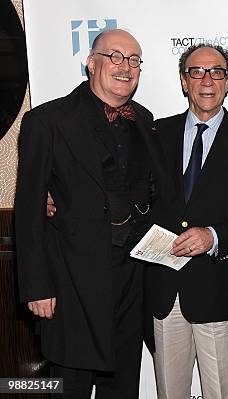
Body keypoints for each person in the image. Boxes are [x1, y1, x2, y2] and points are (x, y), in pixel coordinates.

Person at [15, 29, 165, 398]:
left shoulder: (144, 120)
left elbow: (156, 190)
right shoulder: (47, 121)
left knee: (123, 383)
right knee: (71, 385)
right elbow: (29, 211)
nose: (124, 67)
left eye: (133, 60)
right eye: (114, 56)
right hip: (71, 283)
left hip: (131, 278)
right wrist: (38, 287)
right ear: (90, 62)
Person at [145, 43, 228, 399]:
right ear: (184, 82)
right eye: (196, 71)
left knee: (225, 392)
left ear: (227, 82)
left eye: (216, 71)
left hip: (217, 290)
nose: (207, 80)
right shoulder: (155, 134)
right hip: (163, 290)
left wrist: (214, 236)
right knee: (170, 392)